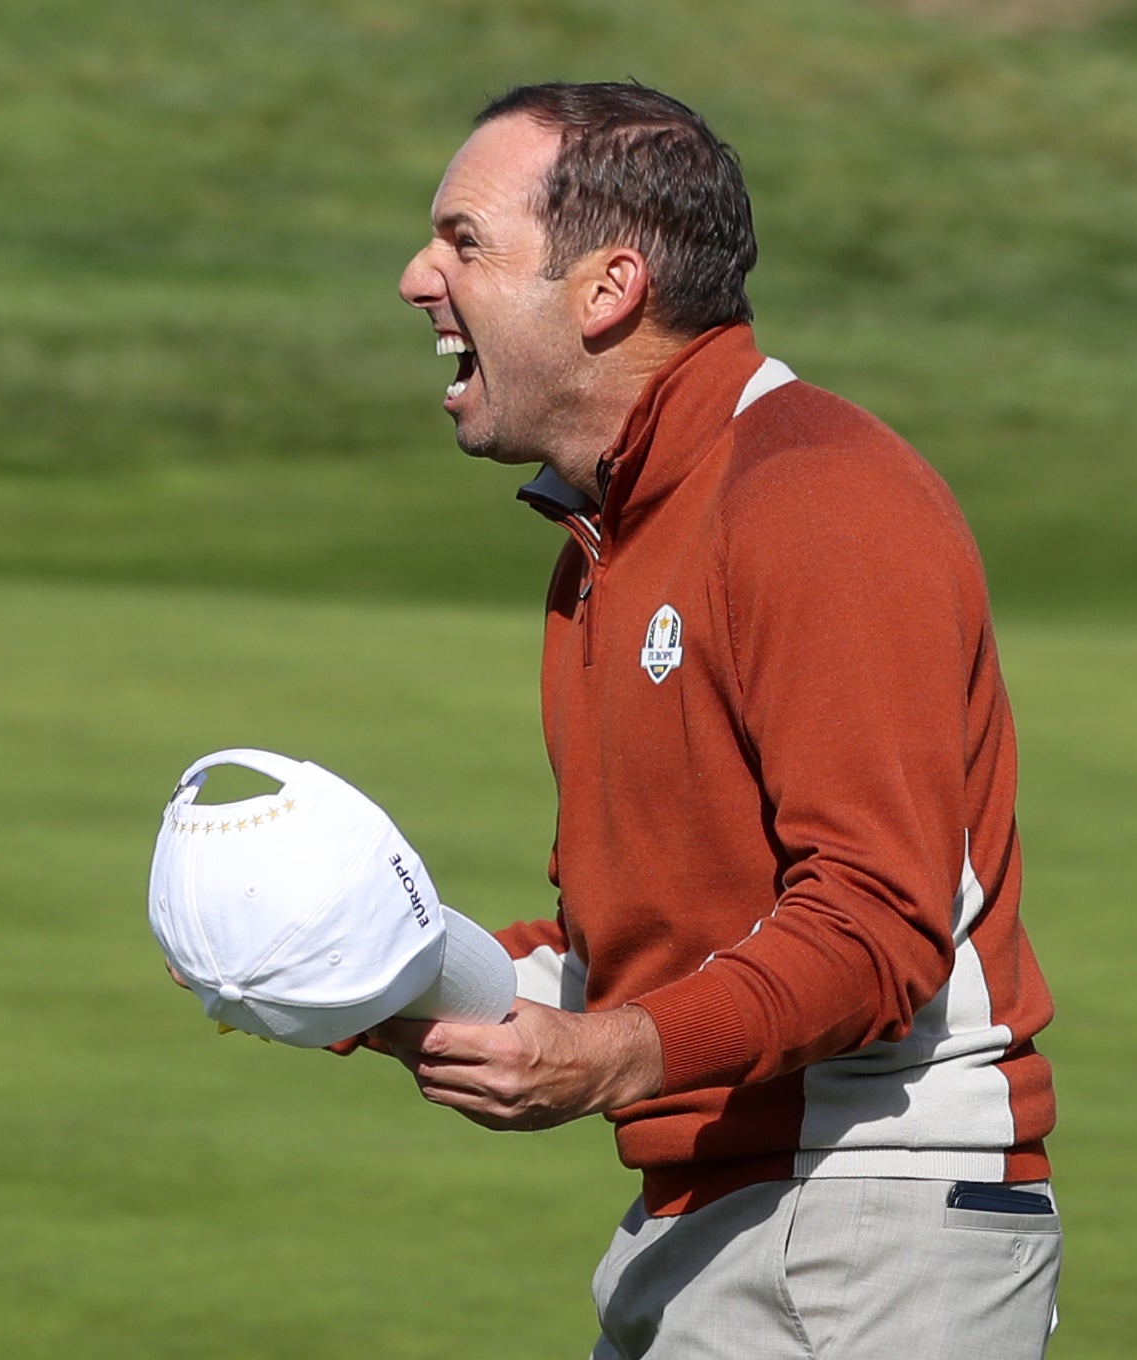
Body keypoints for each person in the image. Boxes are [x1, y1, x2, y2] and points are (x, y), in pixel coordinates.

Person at [370, 81, 1063, 1359]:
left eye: (462, 239)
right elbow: (622, 951)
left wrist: (610, 1054)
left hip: (865, 1225)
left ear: (605, 287)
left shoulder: (813, 494)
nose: (418, 276)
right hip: (724, 1222)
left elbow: (871, 924)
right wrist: (352, 973)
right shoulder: (602, 539)